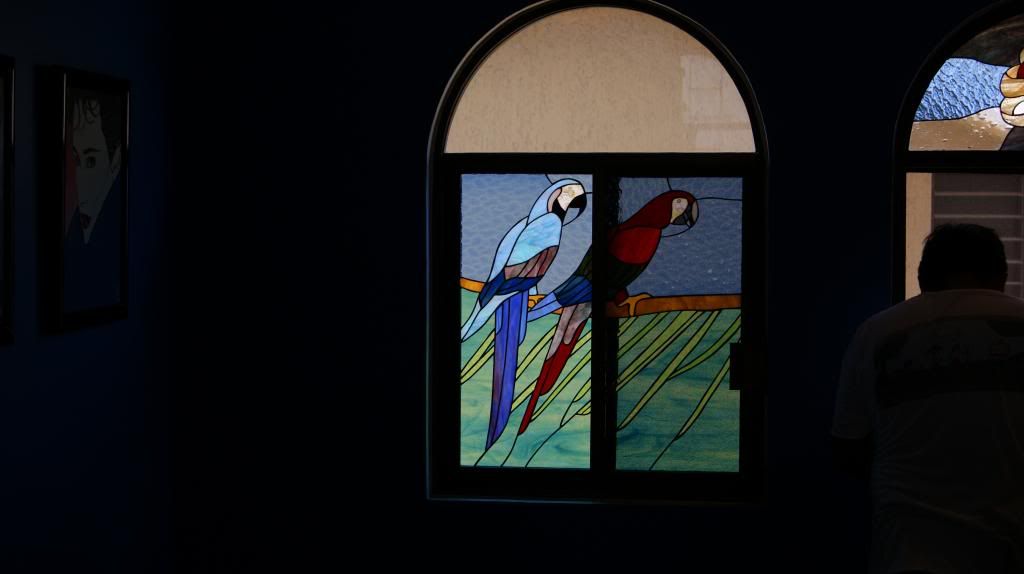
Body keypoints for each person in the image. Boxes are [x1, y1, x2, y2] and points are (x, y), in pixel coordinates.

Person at [833, 223, 1024, 574]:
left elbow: (848, 448)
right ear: (1001, 276)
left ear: (923, 277)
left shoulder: (877, 332)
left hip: (909, 552)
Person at [62, 90, 124, 312]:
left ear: (115, 161)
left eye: (90, 161)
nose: (80, 181)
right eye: (77, 159)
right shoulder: (76, 228)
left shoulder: (119, 228)